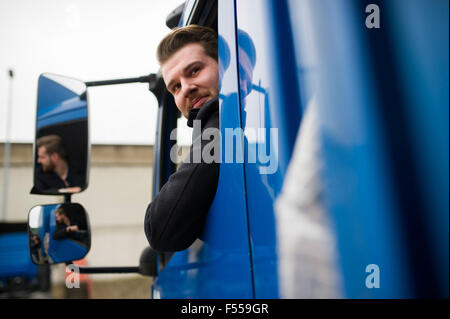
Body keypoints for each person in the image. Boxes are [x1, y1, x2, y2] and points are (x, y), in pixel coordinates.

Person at [144, 25, 220, 252]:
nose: (186, 89)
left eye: (195, 71)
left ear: (225, 66)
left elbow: (160, 231)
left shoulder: (225, 127)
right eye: (175, 87)